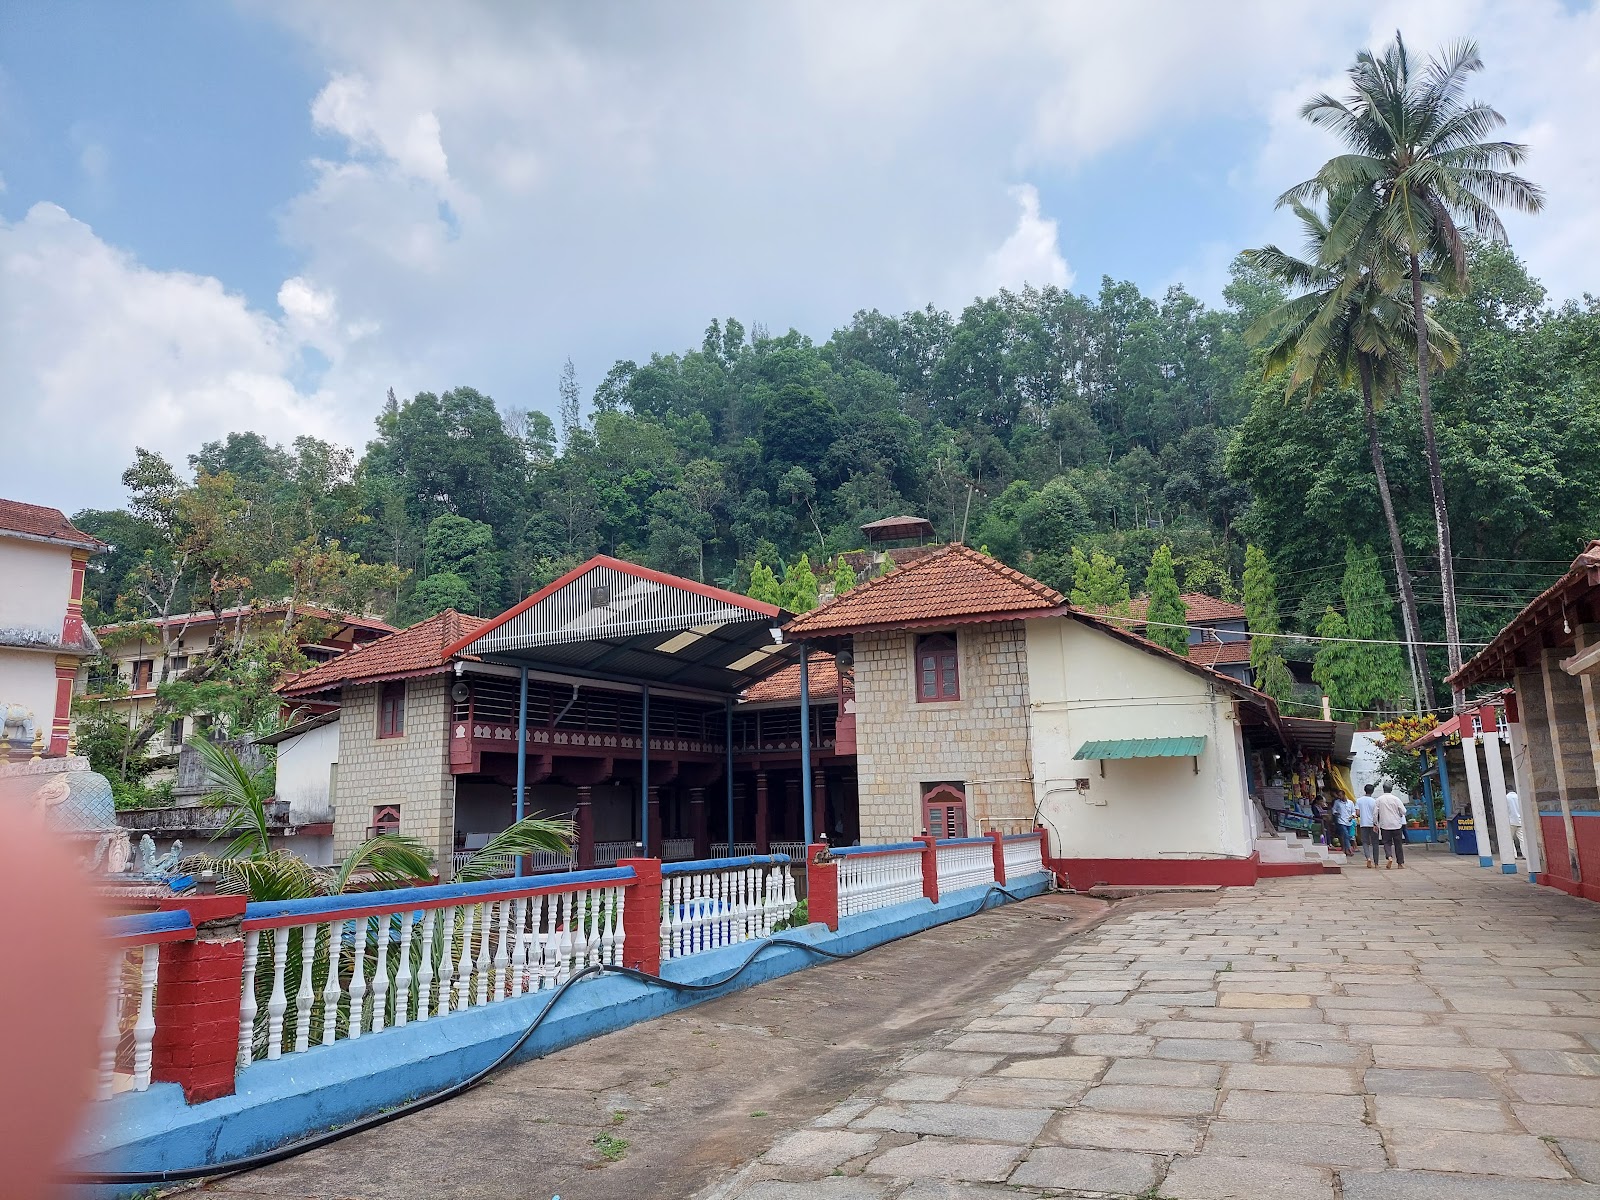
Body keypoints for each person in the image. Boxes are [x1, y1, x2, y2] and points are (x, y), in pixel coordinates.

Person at [1376, 781, 1407, 869]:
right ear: (1391, 789)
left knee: (1386, 842)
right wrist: (1399, 814)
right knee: (1398, 844)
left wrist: (1375, 823)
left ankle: (1389, 856)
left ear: (1383, 789)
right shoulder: (1396, 799)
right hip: (1396, 824)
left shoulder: (1379, 800)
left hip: (1384, 825)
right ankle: (1400, 863)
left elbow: (1375, 813)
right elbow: (1404, 811)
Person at [1356, 783, 1379, 868]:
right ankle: (1376, 863)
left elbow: (1357, 813)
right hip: (1373, 824)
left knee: (1365, 842)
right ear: (1372, 791)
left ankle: (1368, 858)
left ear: (1364, 790)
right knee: (1375, 843)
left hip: (1363, 824)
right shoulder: (1374, 801)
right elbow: (1376, 813)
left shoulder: (1359, 800)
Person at [1506, 788, 1523, 858]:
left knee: (1510, 839)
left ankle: (1513, 855)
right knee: (1522, 839)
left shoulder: (1506, 797)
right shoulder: (1518, 796)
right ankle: (1525, 854)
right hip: (1520, 820)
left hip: (1511, 821)